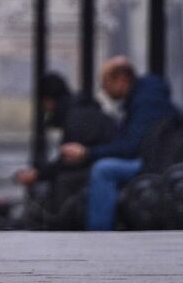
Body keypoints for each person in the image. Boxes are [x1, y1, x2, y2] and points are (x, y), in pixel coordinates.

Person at [59, 56, 179, 231]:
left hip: (155, 162)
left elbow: (131, 147)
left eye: (105, 83)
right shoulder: (143, 98)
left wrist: (87, 153)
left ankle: (100, 232)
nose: (104, 90)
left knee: (103, 170)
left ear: (122, 80)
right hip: (155, 158)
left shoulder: (146, 102)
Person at [13, 73, 118, 229]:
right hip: (102, 166)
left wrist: (39, 174)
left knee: (64, 181)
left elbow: (70, 161)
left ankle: (58, 226)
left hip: (98, 170)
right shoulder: (83, 110)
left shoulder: (75, 117)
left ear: (48, 100)